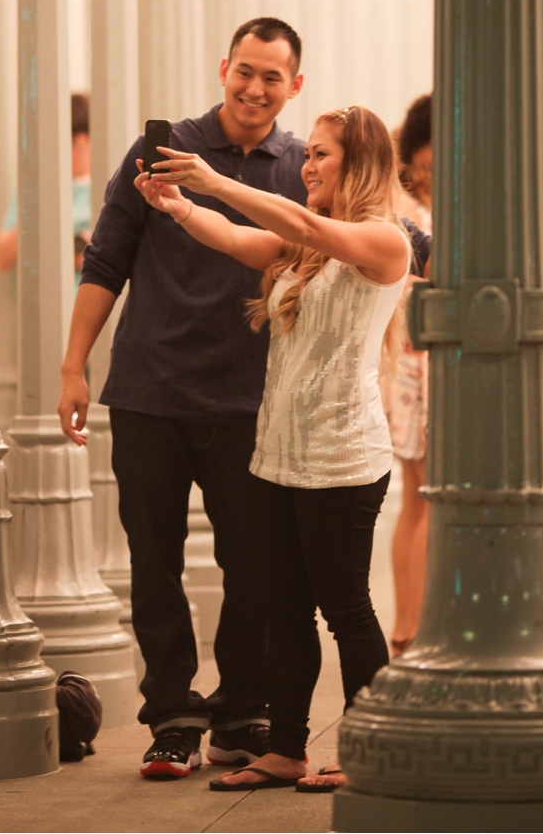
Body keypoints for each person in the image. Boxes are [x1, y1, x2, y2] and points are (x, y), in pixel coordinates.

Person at [135, 105, 410, 792]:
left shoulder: (385, 240)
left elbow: (307, 225)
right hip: (279, 455)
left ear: (360, 162)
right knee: (283, 610)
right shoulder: (305, 247)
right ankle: (286, 749)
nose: (307, 165)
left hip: (343, 457)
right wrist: (179, 205)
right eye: (307, 152)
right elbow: (234, 238)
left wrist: (213, 179)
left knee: (346, 609)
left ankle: (369, 749)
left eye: (322, 154)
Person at [57, 18, 306, 779]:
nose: (255, 88)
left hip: (250, 402)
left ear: (294, 85)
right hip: (151, 393)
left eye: (272, 77)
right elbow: (106, 261)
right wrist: (73, 366)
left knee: (254, 565)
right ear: (224, 67)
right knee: (153, 562)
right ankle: (171, 715)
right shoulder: (159, 152)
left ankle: (241, 710)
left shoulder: (302, 167)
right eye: (245, 71)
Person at [382, 94, 432, 655]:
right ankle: (413, 631)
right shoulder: (417, 210)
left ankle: (407, 629)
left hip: (410, 362)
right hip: (420, 363)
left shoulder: (413, 204)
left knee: (418, 498)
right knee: (426, 497)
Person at [0, 93, 92, 285]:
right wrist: (37, 213)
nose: (68, 152)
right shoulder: (35, 189)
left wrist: (93, 255)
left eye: (74, 143)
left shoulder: (109, 188)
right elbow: (1, 257)